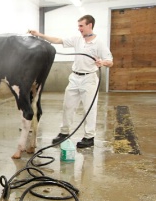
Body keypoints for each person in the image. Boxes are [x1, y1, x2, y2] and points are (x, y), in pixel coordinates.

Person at [28, 15, 113, 148]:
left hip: (89, 79)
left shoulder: (99, 43)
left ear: (89, 25)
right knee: (68, 106)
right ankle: (64, 133)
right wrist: (39, 34)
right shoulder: (77, 39)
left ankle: (89, 137)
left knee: (89, 109)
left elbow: (110, 61)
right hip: (74, 78)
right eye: (78, 26)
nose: (79, 28)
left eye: (81, 26)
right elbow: (58, 40)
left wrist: (102, 62)